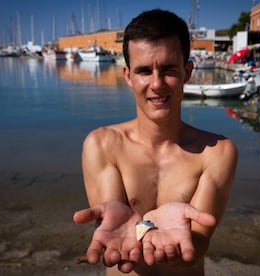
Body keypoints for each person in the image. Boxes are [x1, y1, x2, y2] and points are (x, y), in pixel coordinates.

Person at [73, 9, 238, 276]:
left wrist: (153, 230)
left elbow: (197, 247)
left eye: (168, 69)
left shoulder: (217, 153)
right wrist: (149, 228)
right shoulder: (102, 145)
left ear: (188, 71)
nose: (157, 83)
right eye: (144, 71)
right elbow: (115, 245)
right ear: (128, 76)